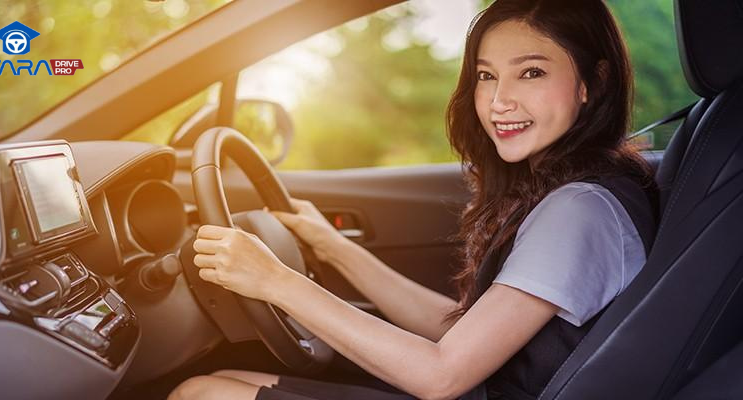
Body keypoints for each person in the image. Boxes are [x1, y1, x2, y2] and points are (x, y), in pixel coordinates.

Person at [169, 0, 658, 399]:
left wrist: (275, 280)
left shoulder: (580, 210)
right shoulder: (568, 193)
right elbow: (458, 330)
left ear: (593, 83)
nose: (498, 101)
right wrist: (334, 247)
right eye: (486, 76)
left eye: (531, 73)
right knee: (220, 382)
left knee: (200, 393)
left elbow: (441, 376)